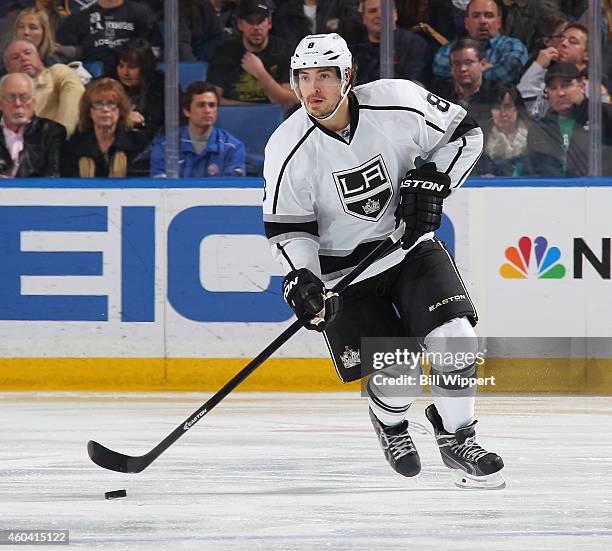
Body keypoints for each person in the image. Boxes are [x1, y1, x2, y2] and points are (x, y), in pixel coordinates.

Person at [263, 33, 505, 489]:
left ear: (348, 77)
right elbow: (289, 228)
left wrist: (434, 181)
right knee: (401, 375)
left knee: (456, 337)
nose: (314, 88)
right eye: (304, 77)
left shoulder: (398, 101)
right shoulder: (286, 148)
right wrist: (305, 280)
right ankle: (391, 424)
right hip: (344, 275)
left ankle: (458, 437)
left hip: (409, 249)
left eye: (326, 76)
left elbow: (465, 134)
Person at [523, 63, 612, 177]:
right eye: (553, 88)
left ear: (582, 86)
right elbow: (534, 173)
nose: (560, 93)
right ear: (547, 93)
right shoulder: (540, 130)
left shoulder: (604, 115)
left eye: (566, 85)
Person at [207, 0, 298, 108]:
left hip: (274, 121)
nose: (256, 27)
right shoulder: (224, 51)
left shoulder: (283, 50)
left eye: (260, 21)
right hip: (233, 119)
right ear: (240, 24)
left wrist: (260, 73)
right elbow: (213, 100)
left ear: (269, 23)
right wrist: (253, 110)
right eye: (250, 21)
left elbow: (292, 101)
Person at [518, 22, 612, 120]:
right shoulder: (548, 74)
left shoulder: (596, 82)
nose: (563, 43)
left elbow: (605, 119)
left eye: (573, 41)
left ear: (587, 54)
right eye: (562, 40)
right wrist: (538, 66)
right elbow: (535, 111)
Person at [151, 81, 246, 177]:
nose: (207, 110)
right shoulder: (165, 147)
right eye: (201, 105)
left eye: (212, 105)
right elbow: (161, 188)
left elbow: (232, 189)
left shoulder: (232, 147)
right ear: (187, 111)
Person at [61, 77, 148, 177]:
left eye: (111, 104)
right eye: (98, 104)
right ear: (89, 111)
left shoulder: (137, 143)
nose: (105, 109)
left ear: (120, 110)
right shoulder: (74, 146)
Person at [433, 0, 528, 83]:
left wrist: (462, 70)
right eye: (476, 16)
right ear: (466, 23)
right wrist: (483, 69)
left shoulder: (513, 46)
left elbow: (506, 72)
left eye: (489, 15)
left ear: (499, 22)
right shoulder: (452, 48)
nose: (482, 21)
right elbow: (440, 66)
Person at [56, 0, 162, 74]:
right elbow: (62, 54)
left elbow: (154, 48)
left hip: (132, 76)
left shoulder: (141, 13)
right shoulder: (78, 19)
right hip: (93, 79)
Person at [4, 39, 84, 136]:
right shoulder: (5, 91)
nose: (23, 58)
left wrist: (59, 134)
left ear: (38, 56)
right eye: (15, 57)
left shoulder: (57, 72)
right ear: (8, 68)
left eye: (28, 53)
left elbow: (74, 93)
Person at [0, 72, 66, 178]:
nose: (17, 103)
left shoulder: (51, 131)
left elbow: (53, 176)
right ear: (0, 103)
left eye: (24, 97)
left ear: (34, 102)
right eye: (11, 97)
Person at [350, 0, 430, 85]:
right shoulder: (354, 50)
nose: (380, 15)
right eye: (372, 11)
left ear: (395, 14)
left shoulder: (415, 44)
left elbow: (414, 84)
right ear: (363, 18)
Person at [431, 38, 495, 127]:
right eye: (457, 64)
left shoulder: (499, 94)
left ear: (483, 64)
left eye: (468, 63)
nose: (462, 69)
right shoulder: (437, 93)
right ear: (451, 68)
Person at [111, 38, 164, 142]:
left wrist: (142, 123)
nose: (124, 72)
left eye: (132, 67)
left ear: (145, 67)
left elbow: (164, 128)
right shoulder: (109, 84)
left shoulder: (162, 87)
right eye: (121, 66)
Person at [475, 82, 530, 177]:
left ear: (517, 108)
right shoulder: (479, 136)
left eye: (507, 107)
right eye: (496, 108)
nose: (503, 114)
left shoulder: (534, 133)